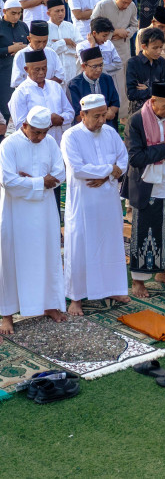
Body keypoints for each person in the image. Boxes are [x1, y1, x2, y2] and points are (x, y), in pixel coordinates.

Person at [0, 105, 67, 336]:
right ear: (24, 126)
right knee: (11, 259)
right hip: (15, 211)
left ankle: (49, 305)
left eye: (44, 132)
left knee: (47, 254)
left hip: (45, 210)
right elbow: (7, 180)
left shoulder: (49, 143)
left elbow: (60, 173)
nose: (40, 137)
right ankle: (7, 314)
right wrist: (41, 182)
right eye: (35, 132)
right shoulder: (8, 145)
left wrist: (31, 181)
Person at [61, 94, 130, 316]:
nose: (102, 120)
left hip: (108, 199)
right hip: (84, 203)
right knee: (80, 246)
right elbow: (78, 169)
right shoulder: (70, 136)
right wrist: (109, 170)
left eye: (104, 114)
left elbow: (123, 159)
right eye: (97, 116)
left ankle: (113, 288)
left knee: (110, 242)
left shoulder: (110, 132)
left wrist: (108, 173)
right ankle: (76, 297)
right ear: (83, 115)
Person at [123, 81, 165, 295]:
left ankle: (164, 272)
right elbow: (136, 158)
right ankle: (139, 281)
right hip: (148, 185)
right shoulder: (136, 121)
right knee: (146, 232)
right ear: (152, 101)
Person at [8, 49, 74, 145]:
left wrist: (61, 119)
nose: (42, 73)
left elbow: (70, 112)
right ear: (26, 69)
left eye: (44, 68)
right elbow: (20, 125)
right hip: (35, 144)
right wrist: (49, 121)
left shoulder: (55, 86)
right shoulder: (20, 93)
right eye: (37, 69)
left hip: (58, 142)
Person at [125, 26, 165, 116]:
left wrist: (150, 89)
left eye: (161, 47)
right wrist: (158, 91)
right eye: (155, 48)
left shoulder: (161, 61)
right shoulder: (133, 63)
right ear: (144, 46)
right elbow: (132, 94)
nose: (159, 51)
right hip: (139, 112)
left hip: (159, 110)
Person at [68, 46, 120, 127]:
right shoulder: (74, 85)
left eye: (101, 65)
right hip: (85, 128)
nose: (99, 69)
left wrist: (111, 111)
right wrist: (103, 115)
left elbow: (115, 104)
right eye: (95, 66)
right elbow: (77, 116)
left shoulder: (107, 79)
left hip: (107, 126)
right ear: (84, 66)